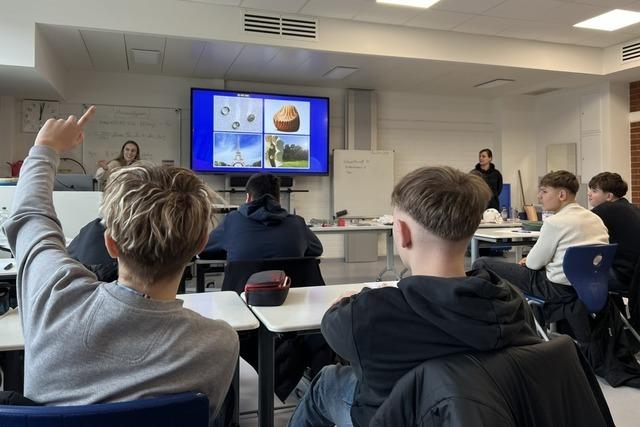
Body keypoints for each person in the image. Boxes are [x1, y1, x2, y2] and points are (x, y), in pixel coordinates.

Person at [2, 108, 239, 426]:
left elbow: (30, 216)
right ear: (200, 246)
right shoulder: (218, 344)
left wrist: (45, 147)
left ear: (110, 244)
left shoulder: (53, 296)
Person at [288, 166, 540, 427]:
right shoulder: (510, 301)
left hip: (395, 417)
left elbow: (331, 327)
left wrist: (349, 302)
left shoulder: (368, 314)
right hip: (483, 415)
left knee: (328, 380)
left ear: (402, 233)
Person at [474, 170, 608, 343]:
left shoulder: (555, 222)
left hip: (556, 288)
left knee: (482, 263)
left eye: (544, 191)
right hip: (592, 288)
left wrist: (530, 260)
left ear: (561, 194)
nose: (539, 197)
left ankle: (493, 321)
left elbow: (534, 264)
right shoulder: (595, 218)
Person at [200, 172, 323, 261]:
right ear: (278, 199)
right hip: (289, 295)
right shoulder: (297, 224)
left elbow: (204, 251)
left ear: (248, 198)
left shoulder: (232, 221)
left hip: (241, 295)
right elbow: (317, 250)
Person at [588, 172, 640, 291]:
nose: (589, 194)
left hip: (621, 277)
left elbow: (574, 225)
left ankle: (600, 309)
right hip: (634, 277)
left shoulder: (606, 208)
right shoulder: (632, 208)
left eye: (594, 191)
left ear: (609, 196)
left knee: (571, 277)